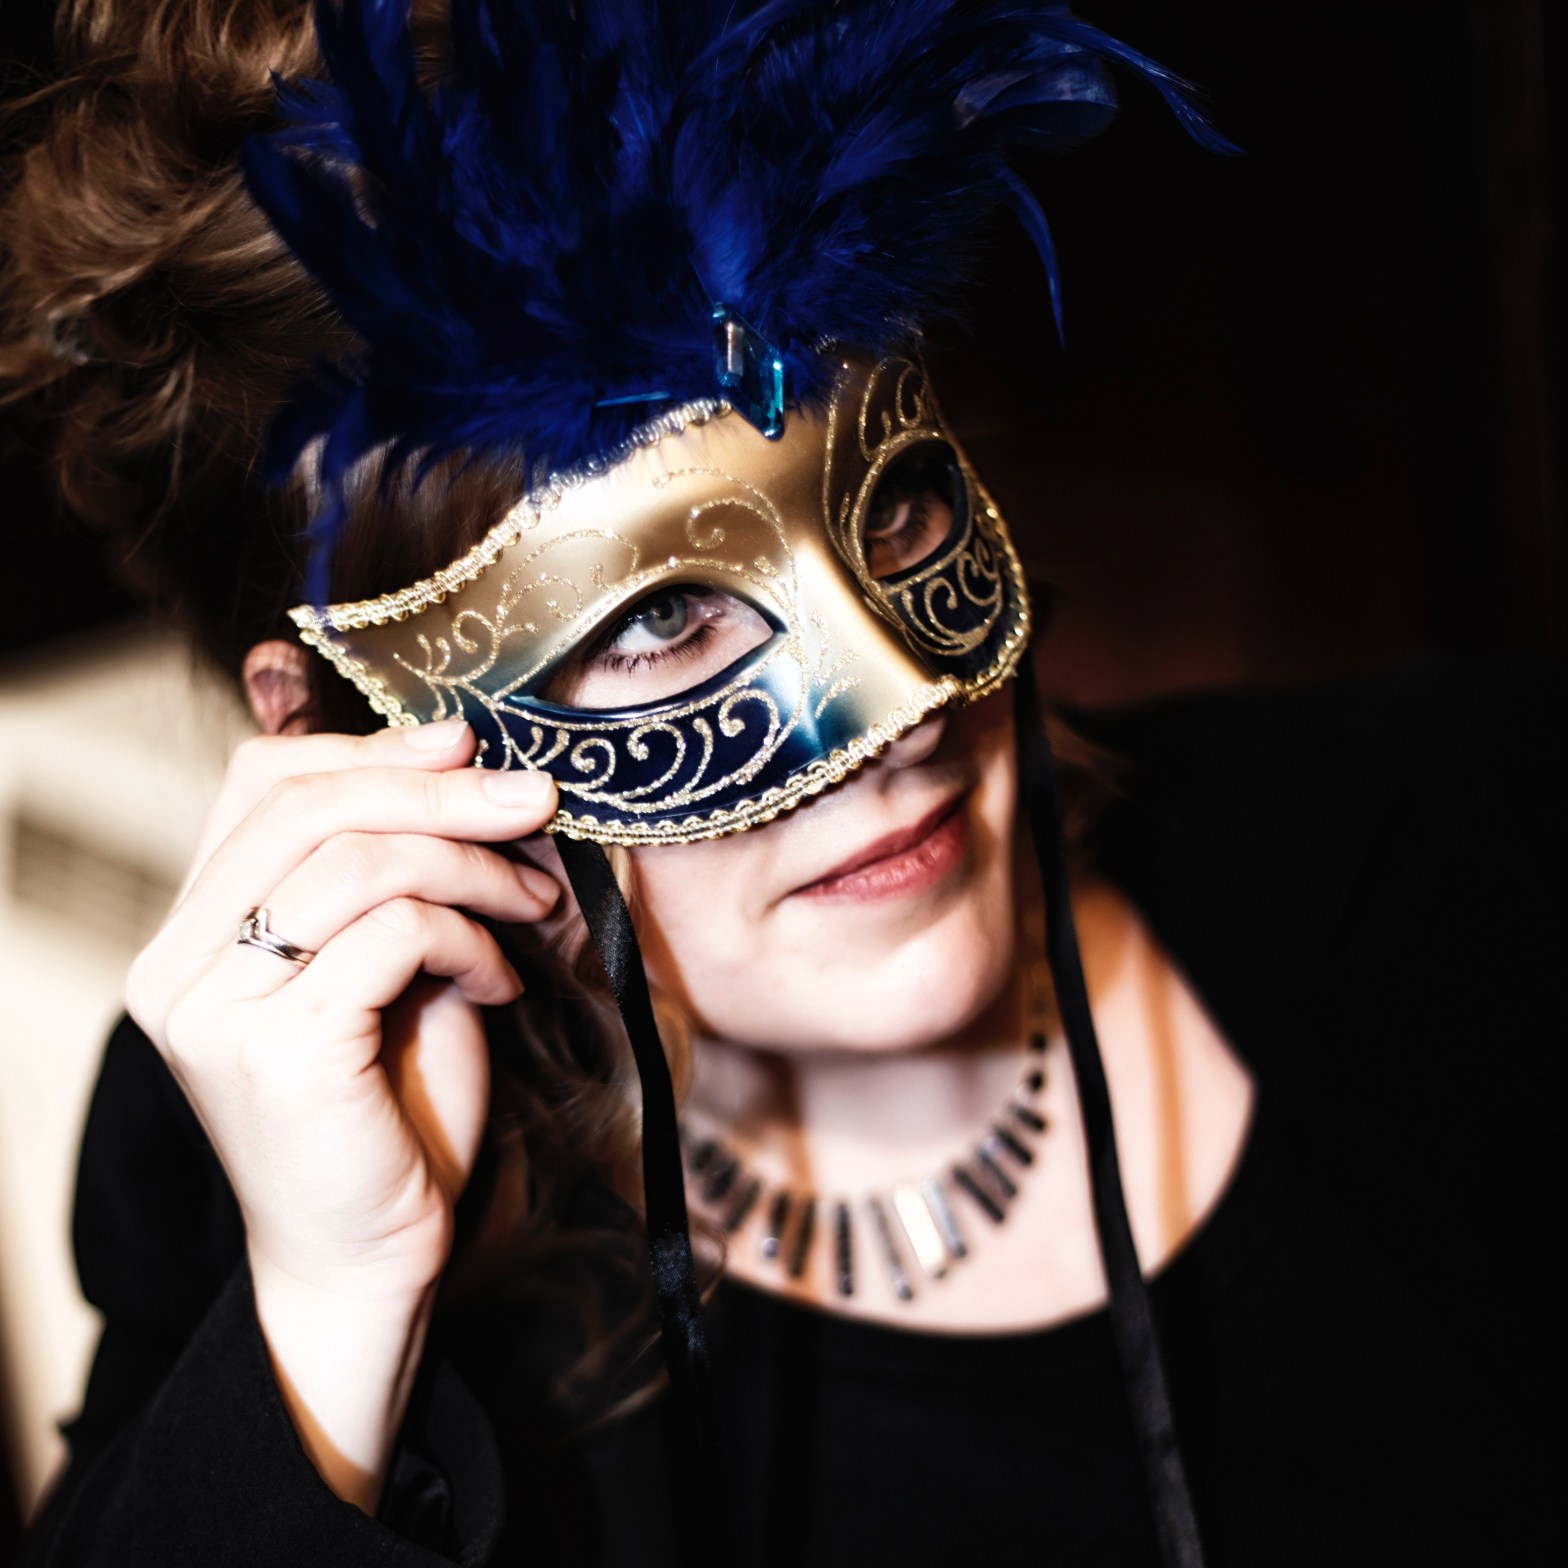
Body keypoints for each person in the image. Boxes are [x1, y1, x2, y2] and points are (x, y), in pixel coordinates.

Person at [4, 2, 1563, 1565]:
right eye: (654, 621)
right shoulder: (269, 1177)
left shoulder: (1478, 843)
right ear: (340, 743)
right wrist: (337, 1308)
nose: (894, 713)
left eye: (887, 512)